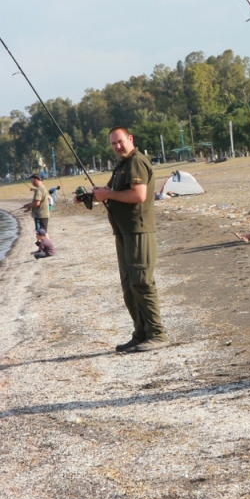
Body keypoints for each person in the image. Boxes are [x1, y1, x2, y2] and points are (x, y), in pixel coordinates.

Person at [82, 126, 170, 354]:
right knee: (129, 286)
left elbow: (138, 195)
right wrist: (92, 195)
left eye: (120, 141)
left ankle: (157, 334)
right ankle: (140, 333)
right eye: (113, 144)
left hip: (138, 231)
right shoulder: (122, 165)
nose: (117, 147)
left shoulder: (136, 162)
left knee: (142, 282)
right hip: (123, 232)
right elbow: (109, 190)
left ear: (130, 139)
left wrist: (108, 195)